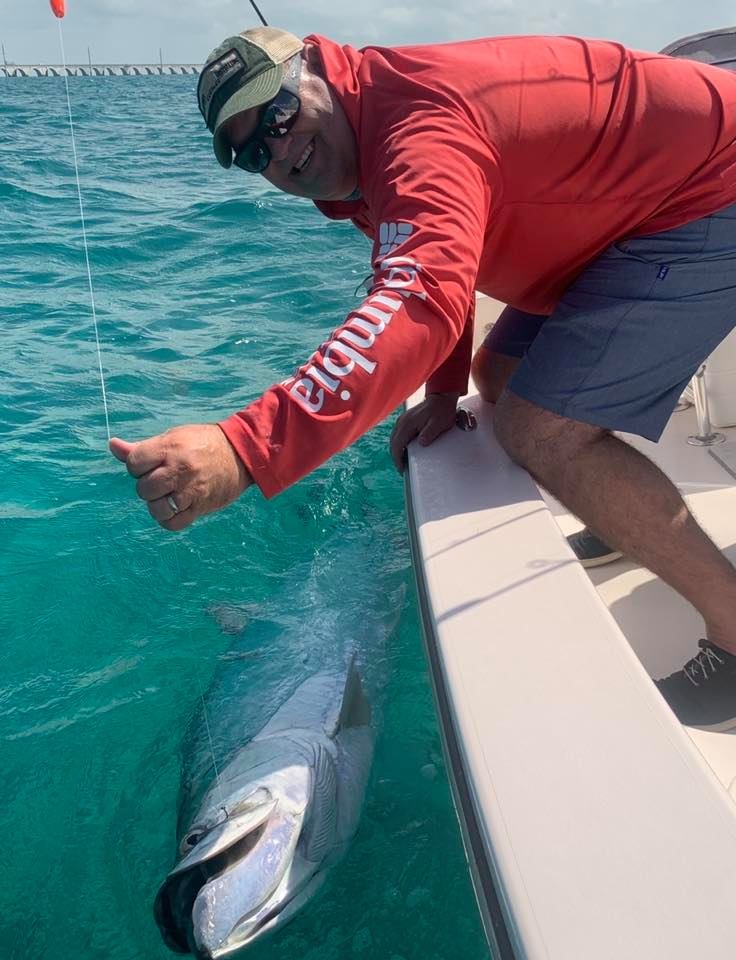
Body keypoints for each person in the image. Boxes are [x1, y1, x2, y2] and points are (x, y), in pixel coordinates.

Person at [111, 25, 736, 728]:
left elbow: (420, 296)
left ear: (314, 68)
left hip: (708, 188)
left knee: (542, 432)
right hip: (626, 206)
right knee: (495, 375)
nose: (280, 151)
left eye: (279, 116)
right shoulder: (359, 142)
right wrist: (442, 393)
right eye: (253, 150)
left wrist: (244, 449)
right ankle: (624, 522)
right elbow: (424, 263)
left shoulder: (416, 125)